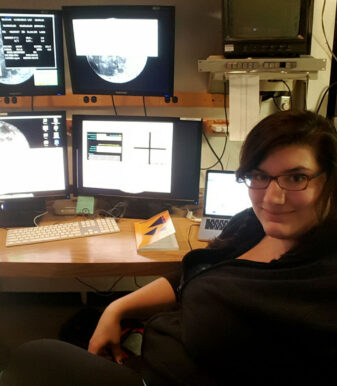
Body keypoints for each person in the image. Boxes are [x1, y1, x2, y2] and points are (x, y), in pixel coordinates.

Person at [1, 110, 337, 386]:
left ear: (329, 179)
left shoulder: (318, 283)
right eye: (259, 176)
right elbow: (192, 272)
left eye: (296, 178)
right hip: (151, 352)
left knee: (37, 355)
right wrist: (116, 308)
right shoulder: (251, 223)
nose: (272, 198)